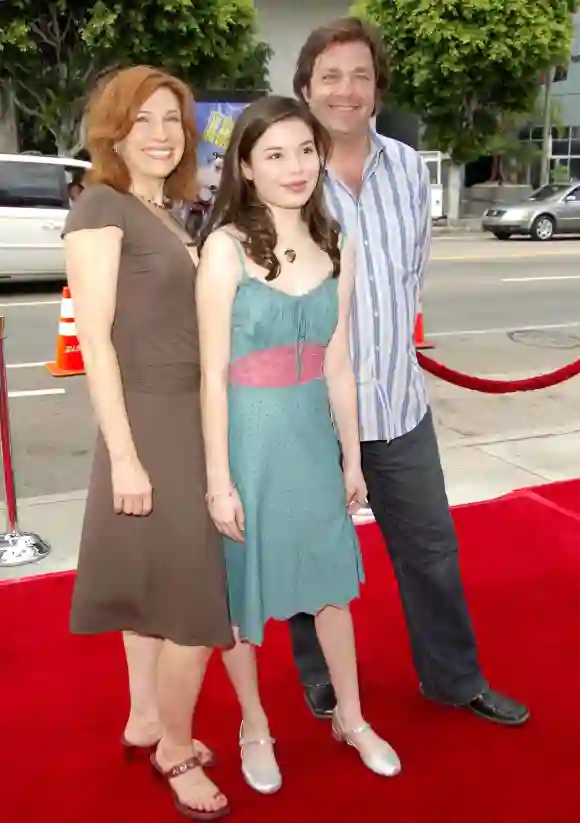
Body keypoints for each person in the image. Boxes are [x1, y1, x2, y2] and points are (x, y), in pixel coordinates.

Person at [287, 17, 530, 727]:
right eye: (330, 75)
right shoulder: (285, 173)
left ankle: (454, 678)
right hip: (308, 412)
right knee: (313, 560)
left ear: (377, 88)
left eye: (360, 75)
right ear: (305, 88)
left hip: (398, 406)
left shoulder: (408, 167)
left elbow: (411, 274)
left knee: (432, 552)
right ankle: (322, 679)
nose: (346, 89)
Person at [196, 95, 402, 793]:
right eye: (275, 154)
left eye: (305, 150)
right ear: (246, 168)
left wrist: (352, 457)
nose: (295, 166)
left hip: (311, 434)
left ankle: (351, 715)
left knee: (332, 587)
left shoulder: (336, 242)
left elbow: (339, 362)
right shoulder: (223, 249)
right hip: (248, 438)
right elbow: (211, 376)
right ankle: (254, 721)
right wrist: (218, 479)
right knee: (241, 594)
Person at [63, 65, 233, 821]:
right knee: (197, 607)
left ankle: (143, 717)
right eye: (144, 121)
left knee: (151, 589)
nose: (162, 134)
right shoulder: (102, 205)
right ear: (113, 130)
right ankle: (174, 745)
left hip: (186, 415)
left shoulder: (165, 209)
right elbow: (95, 340)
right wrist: (126, 455)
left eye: (174, 119)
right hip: (151, 421)